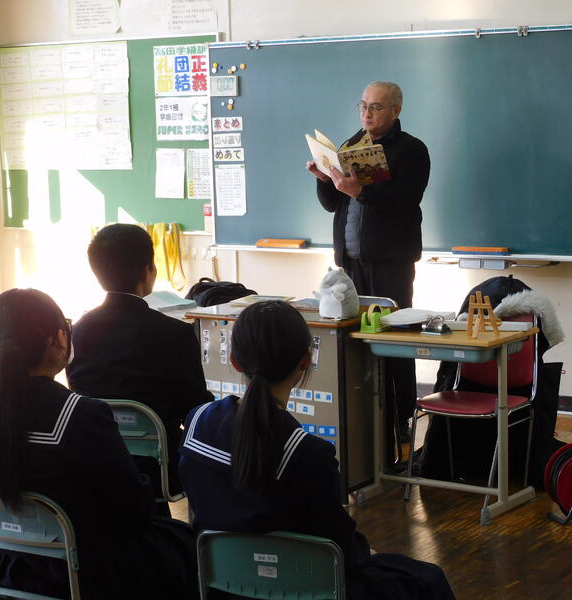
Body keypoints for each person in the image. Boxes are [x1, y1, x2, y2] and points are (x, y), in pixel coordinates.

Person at [179, 301, 456, 600]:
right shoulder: (308, 453)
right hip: (304, 590)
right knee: (427, 578)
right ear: (305, 360)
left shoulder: (196, 424)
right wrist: (366, 552)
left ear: (234, 361)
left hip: (222, 586)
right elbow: (340, 549)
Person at [0, 288, 196, 599]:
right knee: (182, 542)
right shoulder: (80, 415)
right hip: (77, 573)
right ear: (58, 339)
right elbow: (134, 508)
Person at [306, 81, 430, 442]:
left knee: (395, 339)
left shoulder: (411, 149)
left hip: (390, 261)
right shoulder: (351, 146)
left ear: (395, 110)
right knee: (354, 341)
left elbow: (405, 199)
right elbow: (334, 203)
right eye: (363, 105)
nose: (367, 113)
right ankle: (363, 418)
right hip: (350, 263)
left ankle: (399, 420)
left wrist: (361, 191)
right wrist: (324, 179)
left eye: (375, 107)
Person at [66, 223, 212, 496]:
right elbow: (194, 409)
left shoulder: (78, 331)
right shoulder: (174, 333)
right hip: (160, 468)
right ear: (148, 270)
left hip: (96, 457)